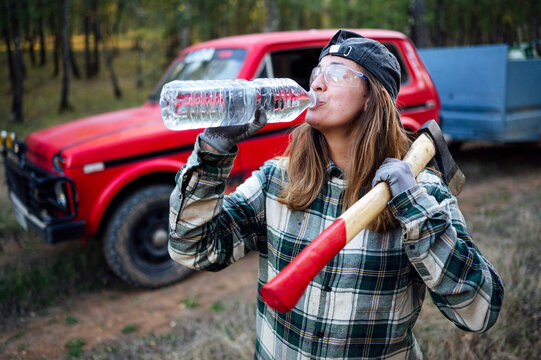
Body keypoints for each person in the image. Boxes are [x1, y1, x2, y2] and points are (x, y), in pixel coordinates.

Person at [168, 30, 504, 359]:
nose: (315, 83)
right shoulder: (278, 179)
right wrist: (214, 147)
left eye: (337, 74)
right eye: (316, 73)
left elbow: (478, 312)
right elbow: (193, 248)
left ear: (373, 97)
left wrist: (413, 206)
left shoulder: (421, 194)